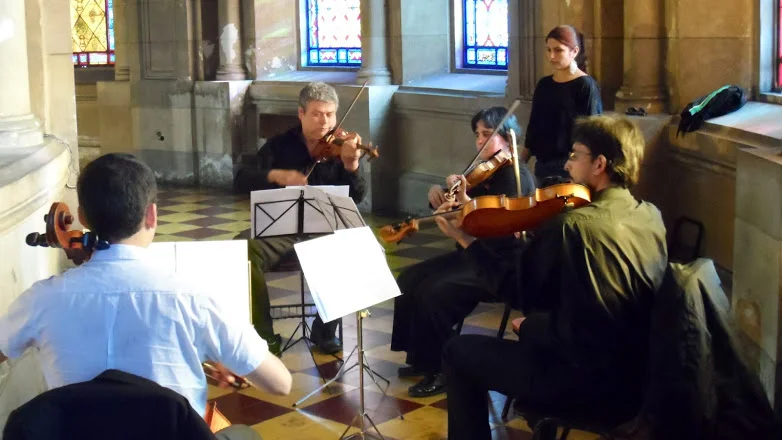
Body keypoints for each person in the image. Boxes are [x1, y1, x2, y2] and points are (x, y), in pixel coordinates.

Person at [0, 154, 292, 439]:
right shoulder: (196, 300)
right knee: (244, 435)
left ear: (83, 217)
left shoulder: (42, 299)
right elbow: (280, 384)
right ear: (151, 215)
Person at [436, 115, 667, 440]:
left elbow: (517, 293)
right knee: (529, 331)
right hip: (638, 375)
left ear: (599, 164)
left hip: (584, 378)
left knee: (458, 352)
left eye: (575, 156)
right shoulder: (649, 214)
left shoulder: (572, 226)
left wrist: (467, 241)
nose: (568, 166)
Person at [391, 107, 535, 398]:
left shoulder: (515, 177)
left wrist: (466, 201)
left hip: (499, 262)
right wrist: (440, 196)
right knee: (409, 278)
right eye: (477, 135)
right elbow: (464, 211)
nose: (480, 141)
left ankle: (442, 369)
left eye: (487, 134)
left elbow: (496, 225)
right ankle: (421, 357)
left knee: (434, 292)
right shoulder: (484, 173)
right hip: (471, 253)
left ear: (508, 139)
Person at [233, 82, 367, 355]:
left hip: (324, 230)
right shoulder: (279, 145)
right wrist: (275, 176)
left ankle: (325, 329)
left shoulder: (342, 147)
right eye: (317, 114)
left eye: (330, 114)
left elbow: (357, 197)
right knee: (243, 250)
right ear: (301, 113)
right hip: (281, 229)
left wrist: (351, 166)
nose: (324, 121)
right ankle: (264, 334)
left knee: (345, 249)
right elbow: (239, 179)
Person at [523, 25, 603, 184]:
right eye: (548, 50)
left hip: (571, 167)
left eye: (558, 50)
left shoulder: (585, 85)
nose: (552, 56)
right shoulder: (544, 84)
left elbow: (592, 132)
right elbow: (534, 128)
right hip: (543, 165)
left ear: (574, 51)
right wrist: (520, 163)